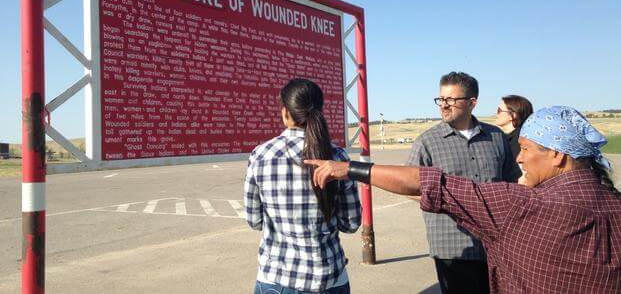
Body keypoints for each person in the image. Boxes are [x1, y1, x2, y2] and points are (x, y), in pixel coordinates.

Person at [306, 106, 621, 293]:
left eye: (526, 148)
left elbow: (431, 183)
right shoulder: (615, 206)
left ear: (556, 155)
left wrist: (349, 169)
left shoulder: (522, 205)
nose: (520, 158)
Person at [244, 78, 361, 294]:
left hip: (276, 279)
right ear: (319, 111)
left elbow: (255, 220)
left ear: (285, 112)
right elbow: (351, 223)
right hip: (328, 279)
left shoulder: (260, 155)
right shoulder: (337, 157)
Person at [408, 72, 521, 294]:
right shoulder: (427, 142)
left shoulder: (496, 137)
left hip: (496, 243)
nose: (443, 105)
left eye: (451, 100)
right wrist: (446, 203)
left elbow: (513, 181)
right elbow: (409, 185)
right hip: (453, 245)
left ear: (472, 103)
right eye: (441, 99)